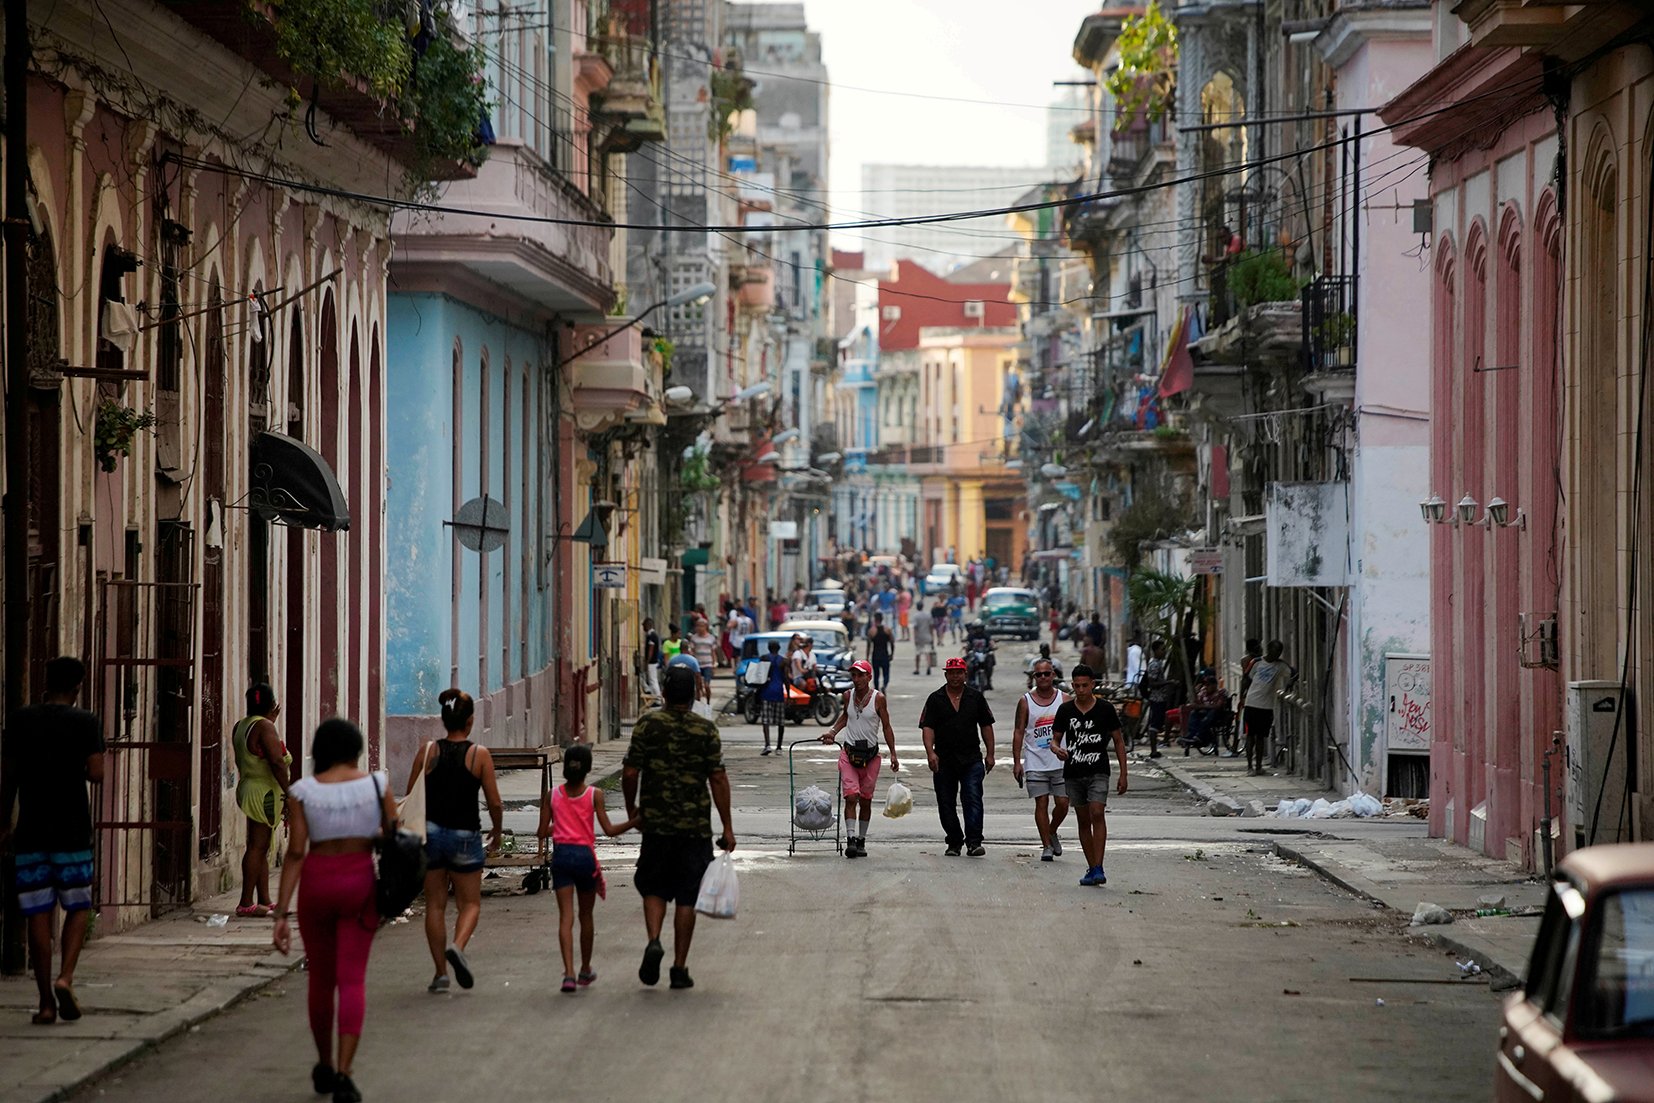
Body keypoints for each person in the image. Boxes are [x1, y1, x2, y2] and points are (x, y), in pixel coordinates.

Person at [273, 718, 397, 1103]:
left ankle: (324, 1064)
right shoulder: (377, 785)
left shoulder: (303, 791)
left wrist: (280, 914)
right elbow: (393, 834)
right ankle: (345, 1072)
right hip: (360, 883)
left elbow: (295, 852)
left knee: (321, 981)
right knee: (353, 980)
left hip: (317, 884)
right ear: (356, 748)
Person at [0, 656, 103, 1026]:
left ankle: (45, 1003)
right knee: (78, 904)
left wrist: (3, 825)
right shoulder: (85, 722)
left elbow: (8, 777)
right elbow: (97, 772)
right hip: (72, 830)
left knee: (37, 913)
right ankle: (66, 976)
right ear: (76, 688)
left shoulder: (19, 720)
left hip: (30, 830)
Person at [622, 666, 736, 990]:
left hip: (655, 825)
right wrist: (727, 827)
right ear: (695, 694)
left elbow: (630, 773)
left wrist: (633, 811)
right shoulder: (705, 730)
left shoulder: (648, 725)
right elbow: (717, 778)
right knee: (687, 895)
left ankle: (654, 940)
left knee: (654, 887)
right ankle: (679, 967)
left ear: (665, 694)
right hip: (694, 828)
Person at [408, 689, 504, 993]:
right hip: (466, 837)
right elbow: (495, 803)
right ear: (470, 721)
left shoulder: (427, 752)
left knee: (435, 905)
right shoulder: (479, 755)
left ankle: (440, 974)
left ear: (444, 719)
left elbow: (412, 795)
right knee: (470, 904)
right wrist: (497, 832)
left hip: (432, 835)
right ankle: (458, 946)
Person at [537, 744, 635, 993]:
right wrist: (635, 821)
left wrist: (558, 828)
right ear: (589, 768)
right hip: (584, 859)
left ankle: (568, 974)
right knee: (586, 916)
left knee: (566, 918)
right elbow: (610, 831)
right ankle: (585, 968)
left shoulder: (552, 795)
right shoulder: (595, 795)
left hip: (561, 858)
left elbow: (541, 832)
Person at [1051, 665, 1128, 887]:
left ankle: (1099, 866)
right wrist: (1057, 750)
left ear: (1093, 684)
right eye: (1077, 686)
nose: (1081, 690)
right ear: (1073, 685)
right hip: (1073, 772)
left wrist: (1124, 774)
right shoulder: (1066, 711)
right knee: (1083, 819)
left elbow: (1119, 741)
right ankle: (1092, 867)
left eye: (1085, 685)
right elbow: (1055, 739)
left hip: (1098, 771)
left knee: (1097, 812)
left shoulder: (1105, 709)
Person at [819, 660, 900, 858]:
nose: (856, 679)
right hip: (849, 754)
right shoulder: (848, 696)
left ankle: (861, 840)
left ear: (869, 677)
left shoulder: (878, 699)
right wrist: (832, 732)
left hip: (871, 757)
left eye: (860, 675)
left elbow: (887, 727)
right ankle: (851, 839)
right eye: (853, 675)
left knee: (865, 800)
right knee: (851, 796)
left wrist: (894, 754)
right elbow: (845, 717)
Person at [919, 656, 996, 857]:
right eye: (951, 672)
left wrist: (991, 754)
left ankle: (974, 842)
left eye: (958, 672)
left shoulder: (975, 697)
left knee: (972, 798)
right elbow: (928, 727)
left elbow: (986, 725)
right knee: (945, 802)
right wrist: (930, 753)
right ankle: (954, 841)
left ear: (965, 674)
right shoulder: (935, 699)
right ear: (945, 674)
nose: (955, 676)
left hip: (971, 759)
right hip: (944, 760)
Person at [232, 683, 292, 917]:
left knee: (261, 845)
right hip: (264, 793)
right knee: (258, 846)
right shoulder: (265, 727)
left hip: (249, 787)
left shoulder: (242, 725)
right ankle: (246, 902)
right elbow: (277, 762)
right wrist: (289, 792)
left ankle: (264, 899)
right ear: (272, 704)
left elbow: (256, 750)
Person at [1013, 657, 1071, 862]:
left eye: (1047, 673)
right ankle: (1046, 845)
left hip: (1061, 761)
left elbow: (1074, 728)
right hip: (1035, 761)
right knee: (1041, 803)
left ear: (1053, 675)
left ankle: (1052, 831)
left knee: (1063, 803)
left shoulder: (1064, 699)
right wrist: (1017, 762)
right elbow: (1019, 732)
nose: (1044, 677)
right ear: (1034, 677)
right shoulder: (1025, 701)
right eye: (1039, 674)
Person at [1238, 640, 1296, 775]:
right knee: (1250, 735)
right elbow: (1246, 679)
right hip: (1252, 702)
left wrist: (1290, 683)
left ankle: (1258, 767)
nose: (1277, 654)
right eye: (1275, 651)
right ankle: (1249, 767)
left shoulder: (1280, 666)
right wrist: (1242, 696)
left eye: (1279, 652)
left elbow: (1293, 672)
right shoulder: (1257, 662)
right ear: (1269, 649)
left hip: (1267, 705)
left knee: (1261, 736)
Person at [1140, 640, 1173, 759]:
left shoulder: (1157, 663)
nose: (1164, 652)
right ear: (1156, 651)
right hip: (1157, 698)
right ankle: (1153, 751)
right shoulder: (1154, 664)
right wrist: (1168, 682)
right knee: (1154, 725)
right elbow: (1152, 683)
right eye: (1162, 649)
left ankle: (1155, 750)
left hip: (1160, 698)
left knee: (1157, 724)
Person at [757, 639, 790, 755]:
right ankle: (779, 747)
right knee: (780, 722)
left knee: (765, 720)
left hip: (766, 692)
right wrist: (789, 695)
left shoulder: (764, 658)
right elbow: (786, 679)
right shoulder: (784, 661)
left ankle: (767, 745)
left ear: (768, 648)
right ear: (779, 648)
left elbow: (760, 676)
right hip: (778, 693)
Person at [689, 621, 718, 704]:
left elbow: (713, 652)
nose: (699, 628)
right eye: (698, 626)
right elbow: (692, 651)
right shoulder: (694, 638)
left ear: (706, 627)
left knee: (706, 685)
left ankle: (708, 702)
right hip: (697, 664)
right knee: (698, 686)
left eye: (701, 626)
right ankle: (698, 703)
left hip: (708, 664)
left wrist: (714, 663)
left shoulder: (711, 638)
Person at [866, 612, 894, 692]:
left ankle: (877, 690)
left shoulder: (871, 631)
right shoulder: (887, 630)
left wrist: (867, 657)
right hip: (885, 654)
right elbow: (892, 643)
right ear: (882, 619)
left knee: (876, 675)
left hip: (876, 655)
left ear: (875, 619)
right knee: (886, 673)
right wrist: (892, 654)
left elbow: (869, 645)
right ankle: (884, 685)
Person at [911, 600, 936, 677]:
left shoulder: (916, 616)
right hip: (927, 636)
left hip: (919, 636)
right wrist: (932, 637)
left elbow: (915, 628)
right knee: (927, 652)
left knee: (918, 653)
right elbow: (931, 626)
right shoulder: (928, 615)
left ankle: (917, 669)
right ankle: (928, 666)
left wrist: (915, 638)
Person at [641, 618, 662, 698]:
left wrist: (647, 662)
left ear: (648, 625)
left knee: (653, 680)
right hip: (652, 662)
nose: (643, 627)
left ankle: (657, 698)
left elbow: (651, 649)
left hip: (652, 662)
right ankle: (655, 697)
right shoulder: (651, 635)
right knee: (652, 680)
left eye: (644, 625)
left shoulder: (652, 636)